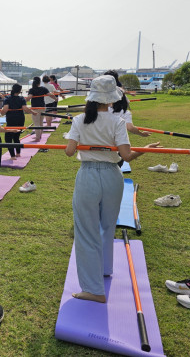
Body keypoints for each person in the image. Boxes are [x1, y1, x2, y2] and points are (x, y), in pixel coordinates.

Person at [64, 75, 160, 302]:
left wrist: (78, 141)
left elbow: (69, 152)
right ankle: (105, 269)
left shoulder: (79, 120)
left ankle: (94, 289)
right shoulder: (117, 121)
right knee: (107, 226)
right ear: (111, 100)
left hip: (88, 174)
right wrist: (145, 149)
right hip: (112, 176)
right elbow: (126, 156)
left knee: (86, 232)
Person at [103, 70, 152, 138]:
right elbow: (130, 128)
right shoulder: (124, 113)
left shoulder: (100, 109)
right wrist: (142, 134)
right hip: (117, 142)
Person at [0, 83, 37, 160]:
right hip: (20, 119)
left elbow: (5, 109)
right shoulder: (21, 98)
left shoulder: (8, 98)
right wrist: (33, 112)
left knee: (8, 138)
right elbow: (25, 108)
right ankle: (18, 153)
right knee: (16, 137)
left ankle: (13, 156)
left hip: (11, 119)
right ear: (20, 91)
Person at [26, 76, 55, 141]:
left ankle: (37, 138)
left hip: (35, 108)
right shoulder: (43, 88)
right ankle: (39, 136)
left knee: (36, 123)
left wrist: (22, 101)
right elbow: (50, 94)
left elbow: (29, 97)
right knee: (40, 122)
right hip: (42, 107)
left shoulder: (32, 89)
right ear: (39, 82)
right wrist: (55, 98)